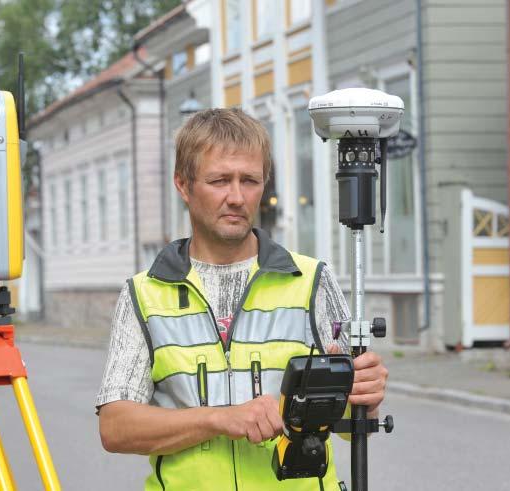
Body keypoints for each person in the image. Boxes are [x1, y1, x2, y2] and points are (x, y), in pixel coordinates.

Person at [96, 108, 388, 490]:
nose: (236, 197)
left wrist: (367, 394)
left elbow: (351, 426)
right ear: (183, 185)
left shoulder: (312, 280)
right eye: (219, 180)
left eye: (249, 180)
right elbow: (115, 427)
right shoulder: (144, 294)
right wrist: (218, 419)